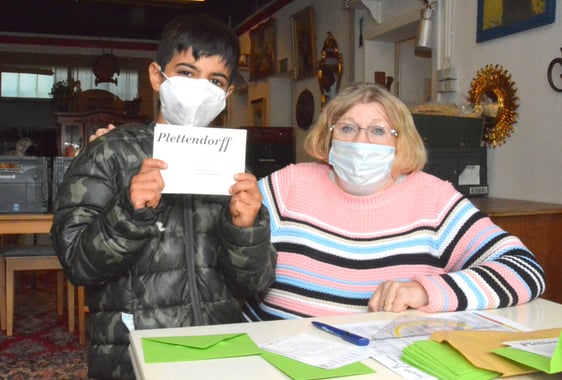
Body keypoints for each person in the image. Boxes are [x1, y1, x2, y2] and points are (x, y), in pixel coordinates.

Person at [51, 13, 276, 380]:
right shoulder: (110, 153)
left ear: (227, 93)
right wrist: (128, 211)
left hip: (221, 348)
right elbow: (77, 264)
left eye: (215, 80)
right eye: (187, 73)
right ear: (157, 76)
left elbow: (254, 283)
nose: (200, 87)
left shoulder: (232, 165)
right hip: (133, 351)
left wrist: (246, 228)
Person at [243, 83, 545, 321]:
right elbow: (227, 259)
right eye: (347, 128)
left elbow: (524, 270)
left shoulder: (434, 199)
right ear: (328, 136)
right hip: (273, 354)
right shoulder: (288, 184)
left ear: (400, 141)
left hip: (382, 363)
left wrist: (426, 291)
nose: (361, 142)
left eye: (377, 130)